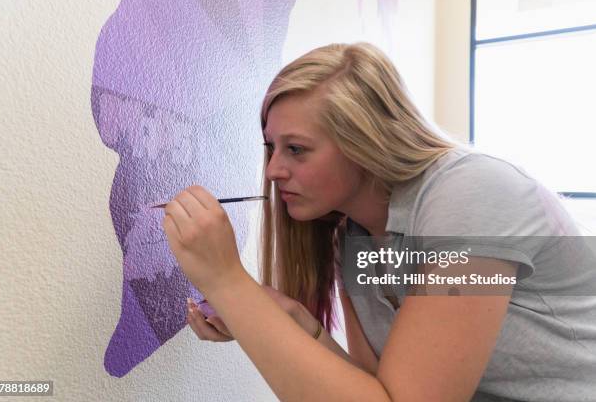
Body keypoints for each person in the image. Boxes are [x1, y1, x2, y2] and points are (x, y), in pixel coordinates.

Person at [161, 42, 596, 401]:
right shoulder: (355, 234)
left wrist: (226, 280)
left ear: (364, 143)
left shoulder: (470, 193)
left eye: (296, 149)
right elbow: (375, 390)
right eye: (272, 147)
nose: (273, 170)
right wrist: (290, 318)